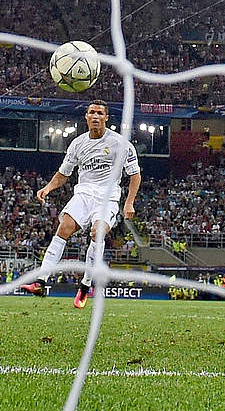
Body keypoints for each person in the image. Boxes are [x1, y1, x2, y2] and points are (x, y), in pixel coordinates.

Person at [22, 101, 141, 309]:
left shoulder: (120, 144)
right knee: (63, 229)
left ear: (106, 118)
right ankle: (40, 282)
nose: (95, 116)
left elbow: (135, 175)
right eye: (92, 112)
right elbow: (63, 174)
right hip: (84, 194)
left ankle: (85, 286)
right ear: (86, 116)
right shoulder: (77, 144)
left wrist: (129, 203)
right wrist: (47, 188)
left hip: (107, 197)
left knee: (97, 233)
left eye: (100, 113)